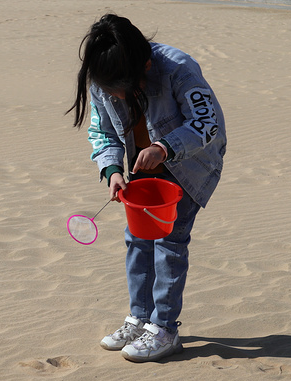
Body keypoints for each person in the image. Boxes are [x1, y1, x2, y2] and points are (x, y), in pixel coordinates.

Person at [67, 14, 226, 362]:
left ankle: (165, 329)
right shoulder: (102, 75)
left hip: (189, 165)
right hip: (141, 167)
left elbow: (207, 123)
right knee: (137, 239)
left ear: (147, 65)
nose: (116, 95)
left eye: (123, 89)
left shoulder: (178, 68)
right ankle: (140, 318)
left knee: (169, 241)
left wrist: (164, 147)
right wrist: (111, 170)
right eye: (110, 90)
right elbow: (103, 132)